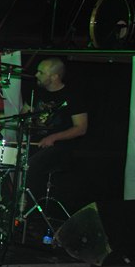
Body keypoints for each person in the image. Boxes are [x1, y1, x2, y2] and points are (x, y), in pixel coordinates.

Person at [21, 57, 88, 201]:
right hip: (35, 143)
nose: (36, 75)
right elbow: (23, 116)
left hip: (59, 147)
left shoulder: (72, 96)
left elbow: (81, 128)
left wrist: (53, 137)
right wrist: (24, 119)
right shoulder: (36, 93)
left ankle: (31, 205)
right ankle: (18, 203)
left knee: (30, 166)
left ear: (55, 76)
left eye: (41, 72)